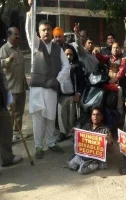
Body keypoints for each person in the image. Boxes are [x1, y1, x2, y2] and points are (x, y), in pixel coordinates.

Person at [26, 0, 70, 159]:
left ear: (52, 32)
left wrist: (58, 80)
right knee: (38, 119)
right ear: (39, 32)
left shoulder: (59, 49)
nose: (46, 32)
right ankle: (38, 147)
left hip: (51, 87)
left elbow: (66, 67)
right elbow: (29, 31)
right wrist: (30, 12)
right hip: (37, 88)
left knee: (51, 116)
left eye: (48, 30)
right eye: (43, 30)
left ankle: (51, 143)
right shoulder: (36, 45)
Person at [0, 27, 28, 142]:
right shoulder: (4, 49)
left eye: (18, 34)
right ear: (9, 35)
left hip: (21, 87)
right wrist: (9, 59)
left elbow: (21, 68)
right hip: (11, 89)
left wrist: (25, 83)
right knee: (10, 115)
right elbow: (1, 64)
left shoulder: (18, 48)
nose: (18, 36)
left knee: (19, 113)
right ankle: (9, 137)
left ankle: (17, 133)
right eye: (15, 34)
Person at [67, 107, 113, 174]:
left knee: (82, 171)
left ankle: (95, 164)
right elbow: (79, 141)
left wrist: (109, 142)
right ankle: (83, 162)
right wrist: (75, 135)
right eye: (93, 114)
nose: (95, 117)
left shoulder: (105, 130)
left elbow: (112, 150)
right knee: (71, 165)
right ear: (91, 116)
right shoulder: (86, 126)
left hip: (96, 157)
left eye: (98, 115)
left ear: (102, 117)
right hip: (85, 154)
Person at [57, 45, 86, 142]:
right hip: (62, 95)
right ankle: (63, 133)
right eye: (66, 54)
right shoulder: (59, 66)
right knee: (61, 116)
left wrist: (78, 94)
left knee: (71, 118)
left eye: (70, 54)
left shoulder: (77, 66)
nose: (68, 56)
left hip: (72, 96)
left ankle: (74, 134)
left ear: (74, 55)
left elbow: (82, 82)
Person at [0, 62, 23, 166]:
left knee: (6, 131)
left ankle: (7, 158)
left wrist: (9, 99)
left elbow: (4, 82)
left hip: (2, 105)